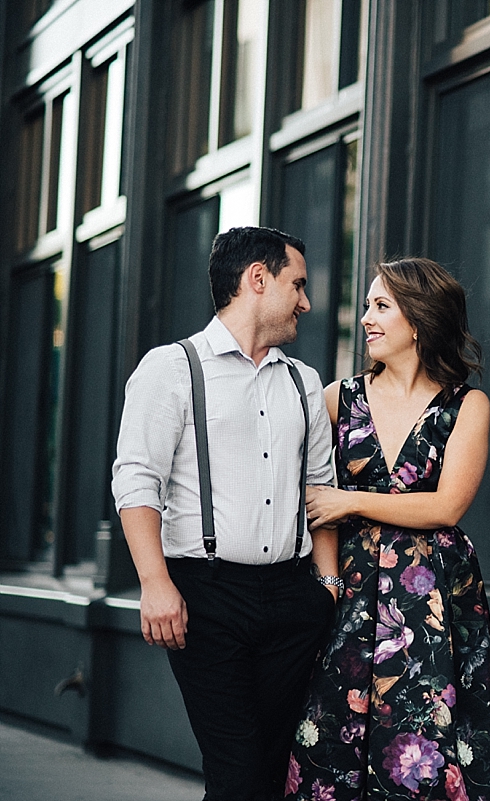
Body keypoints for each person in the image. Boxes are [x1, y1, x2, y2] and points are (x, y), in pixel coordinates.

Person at [112, 226, 337, 801]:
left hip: (293, 597)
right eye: (298, 284)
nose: (306, 302)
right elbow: (137, 480)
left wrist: (327, 589)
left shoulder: (304, 382)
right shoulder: (171, 368)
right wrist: (155, 584)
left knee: (269, 771)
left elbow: (321, 489)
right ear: (257, 279)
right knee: (237, 768)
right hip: (206, 597)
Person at [285, 258, 490, 801]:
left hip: (431, 597)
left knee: (427, 738)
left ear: (419, 320)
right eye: (367, 305)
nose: (367, 318)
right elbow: (313, 498)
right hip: (351, 590)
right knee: (334, 734)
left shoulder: (466, 405)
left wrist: (350, 501)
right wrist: (327, 583)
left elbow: (446, 507)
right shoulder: (339, 398)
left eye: (381, 306)